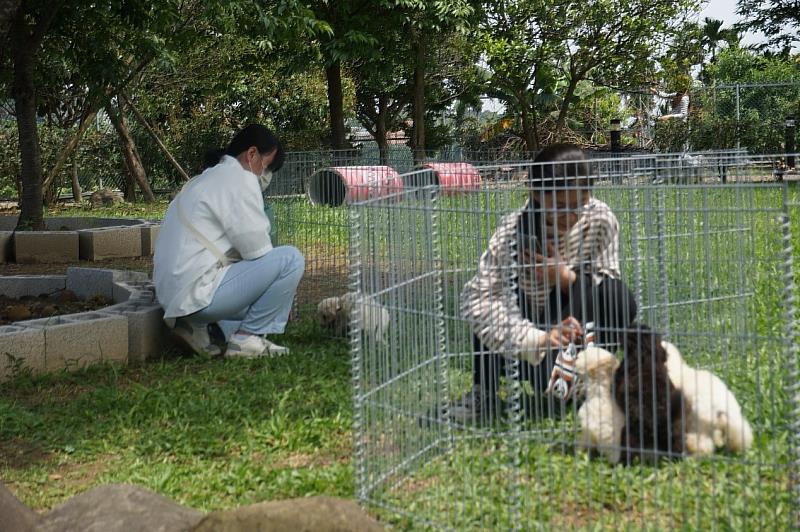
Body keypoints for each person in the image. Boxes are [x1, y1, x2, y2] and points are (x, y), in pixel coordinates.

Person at [452, 143, 637, 424]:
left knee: (619, 296)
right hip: (528, 326)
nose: (571, 216)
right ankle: (484, 391)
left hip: (577, 317)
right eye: (561, 206)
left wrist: (563, 276)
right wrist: (536, 339)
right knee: (494, 296)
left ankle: (595, 380)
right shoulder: (513, 231)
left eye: (579, 204)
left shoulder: (600, 219)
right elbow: (476, 299)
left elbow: (608, 284)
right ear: (536, 195)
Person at [154, 124, 304, 358]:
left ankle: (207, 330)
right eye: (267, 166)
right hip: (196, 294)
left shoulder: (204, 179)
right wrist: (281, 293)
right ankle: (246, 339)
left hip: (173, 295)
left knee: (272, 305)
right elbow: (258, 251)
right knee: (291, 260)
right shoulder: (240, 179)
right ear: (252, 154)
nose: (266, 175)